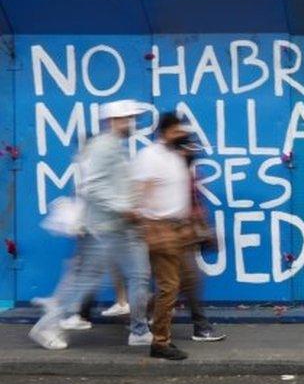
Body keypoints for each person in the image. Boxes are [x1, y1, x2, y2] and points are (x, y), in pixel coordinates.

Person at [28, 100, 152, 350]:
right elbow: (92, 186)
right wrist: (124, 207)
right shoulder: (103, 146)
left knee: (138, 274)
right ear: (113, 120)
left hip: (121, 228)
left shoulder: (115, 147)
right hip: (104, 229)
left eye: (132, 118)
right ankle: (46, 325)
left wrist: (132, 205)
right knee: (87, 281)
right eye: (127, 118)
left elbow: (110, 184)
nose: (131, 123)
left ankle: (139, 330)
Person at [145, 132, 225, 343]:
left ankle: (148, 318)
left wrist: (201, 227)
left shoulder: (187, 171)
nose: (192, 153)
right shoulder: (172, 171)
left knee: (181, 282)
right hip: (170, 235)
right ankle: (199, 326)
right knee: (185, 280)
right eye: (188, 149)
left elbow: (195, 203)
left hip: (183, 235)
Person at [133, 112, 194, 360]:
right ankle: (159, 342)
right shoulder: (150, 156)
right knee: (168, 286)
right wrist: (144, 221)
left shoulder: (176, 155)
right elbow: (140, 191)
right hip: (160, 227)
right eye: (177, 131)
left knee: (177, 283)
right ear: (166, 132)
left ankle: (145, 324)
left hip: (178, 228)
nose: (183, 135)